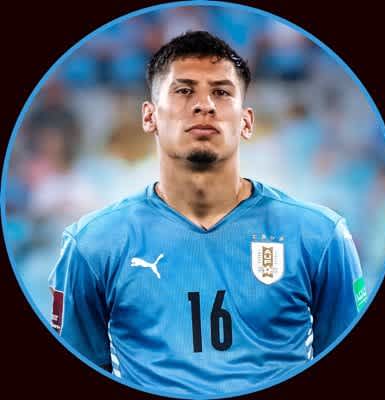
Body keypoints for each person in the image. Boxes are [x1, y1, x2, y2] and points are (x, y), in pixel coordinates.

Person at [49, 31, 367, 397]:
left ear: (246, 121)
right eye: (184, 90)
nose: (204, 105)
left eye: (222, 92)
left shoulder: (320, 236)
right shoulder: (92, 244)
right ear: (149, 116)